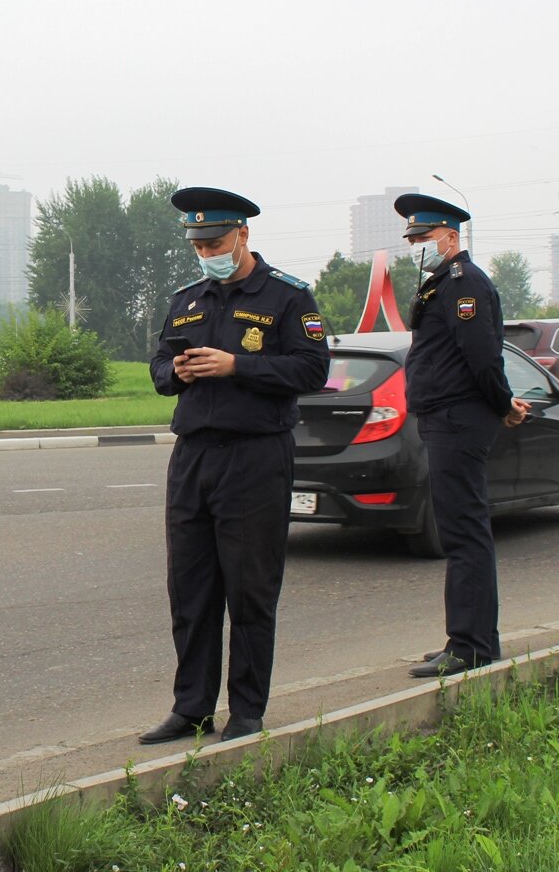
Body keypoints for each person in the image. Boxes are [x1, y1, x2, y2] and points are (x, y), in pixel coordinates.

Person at [141, 187, 330, 744]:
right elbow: (157, 363)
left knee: (249, 590)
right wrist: (178, 371)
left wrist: (236, 367)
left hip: (256, 457)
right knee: (191, 590)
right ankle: (192, 707)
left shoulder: (288, 297)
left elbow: (312, 369)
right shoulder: (188, 298)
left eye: (215, 242)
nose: (206, 253)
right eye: (198, 245)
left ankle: (246, 711)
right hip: (194, 454)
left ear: (243, 235)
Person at [395, 193, 530, 679]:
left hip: (459, 418)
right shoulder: (440, 284)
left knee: (465, 532)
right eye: (412, 238)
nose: (416, 245)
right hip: (445, 417)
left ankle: (471, 645)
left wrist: (502, 405)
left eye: (424, 237)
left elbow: (482, 357)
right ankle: (469, 638)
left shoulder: (464, 282)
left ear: (451, 236)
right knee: (459, 530)